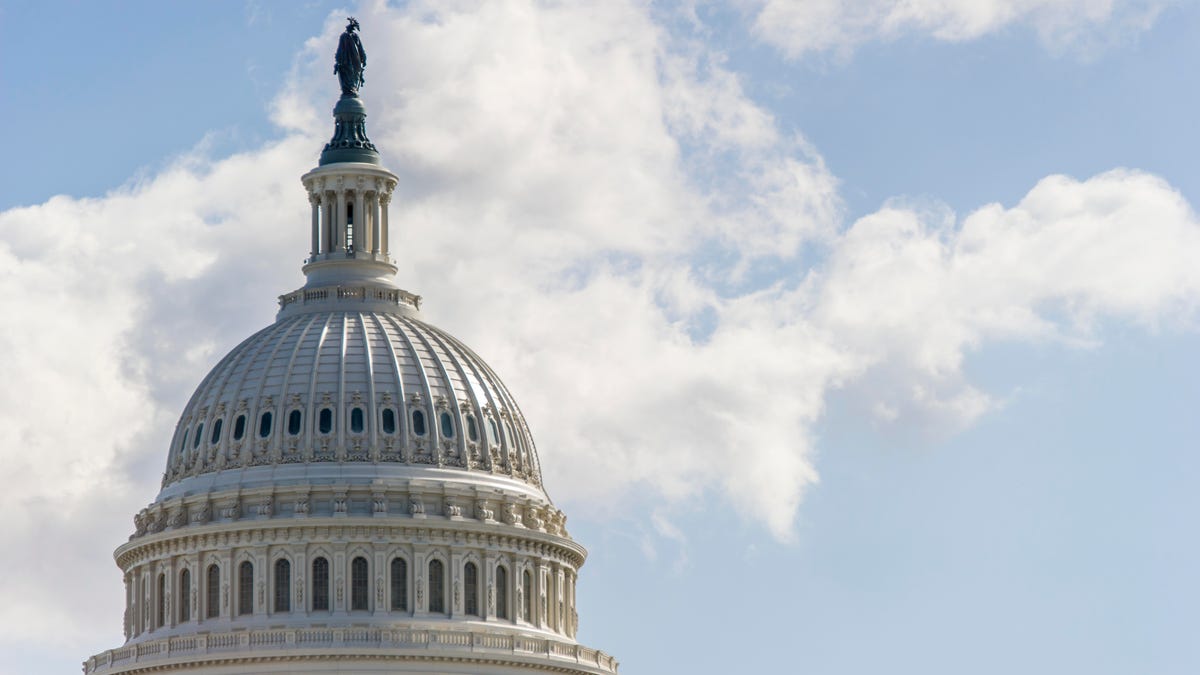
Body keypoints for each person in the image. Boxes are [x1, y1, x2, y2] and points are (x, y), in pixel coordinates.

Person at [335, 17, 366, 96]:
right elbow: (340, 48)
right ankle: (350, 89)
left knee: (355, 74)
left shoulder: (355, 36)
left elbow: (360, 48)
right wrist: (338, 58)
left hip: (355, 59)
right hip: (346, 60)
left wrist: (363, 58)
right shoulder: (344, 36)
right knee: (348, 74)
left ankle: (353, 88)